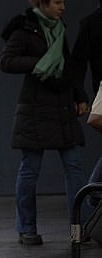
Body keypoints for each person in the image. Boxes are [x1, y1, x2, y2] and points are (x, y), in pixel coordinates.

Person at [0, 0, 89, 245]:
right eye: (58, 2)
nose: (63, 7)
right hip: (35, 108)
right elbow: (6, 61)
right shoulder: (25, 28)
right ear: (43, 4)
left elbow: (69, 65)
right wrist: (39, 63)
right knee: (30, 168)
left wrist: (80, 96)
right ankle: (27, 228)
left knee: (74, 165)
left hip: (61, 106)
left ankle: (79, 227)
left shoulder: (60, 29)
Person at [72, 0, 102, 201]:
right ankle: (92, 196)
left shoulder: (90, 23)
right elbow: (78, 62)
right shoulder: (91, 23)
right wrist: (79, 96)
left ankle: (93, 196)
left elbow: (79, 62)